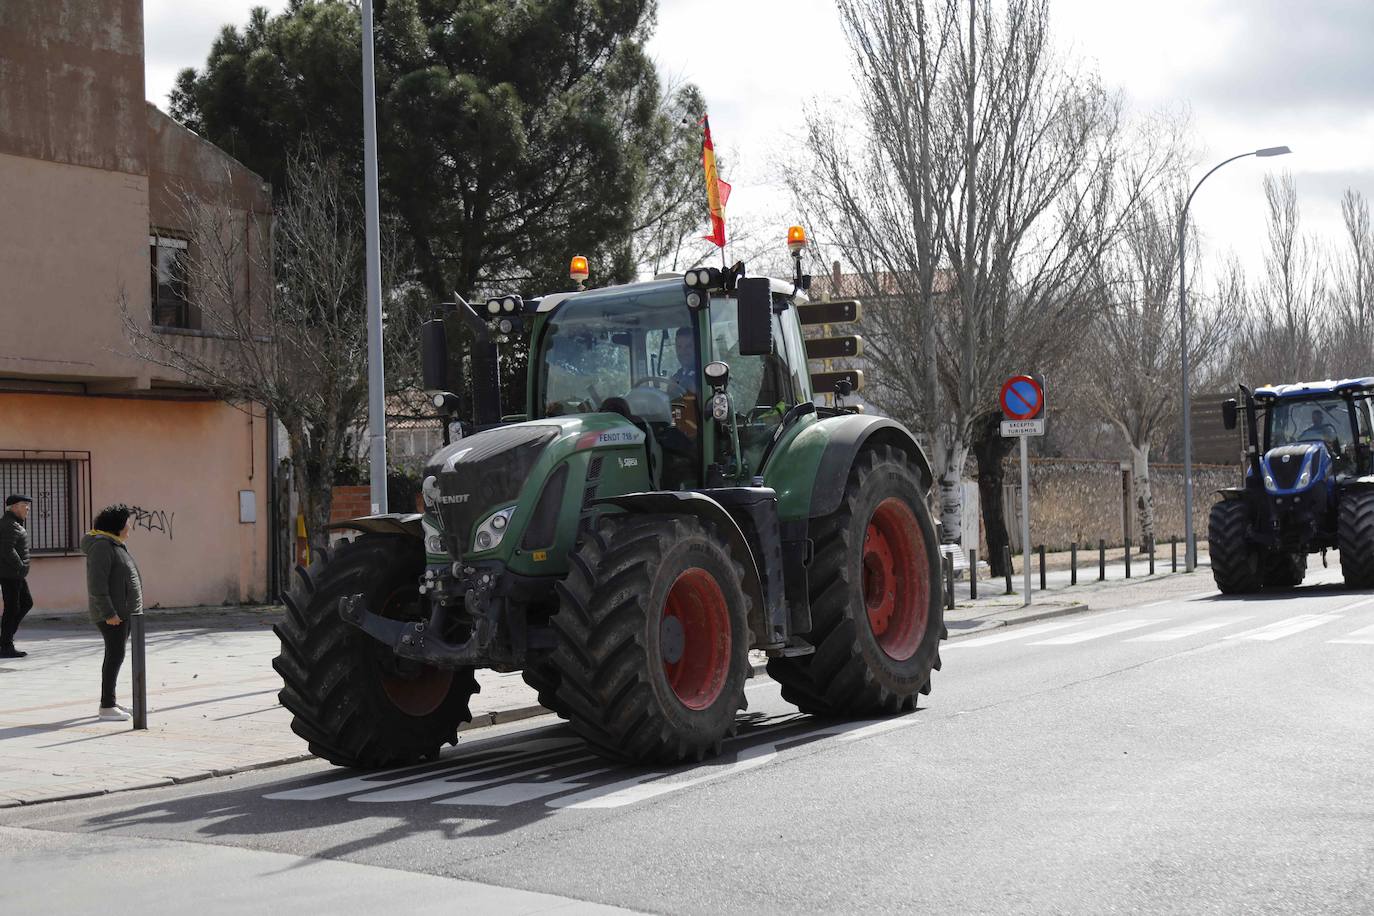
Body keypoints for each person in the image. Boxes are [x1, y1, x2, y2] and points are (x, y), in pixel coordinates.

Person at [82, 505, 143, 722]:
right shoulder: (102, 547)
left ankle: (110, 701)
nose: (130, 528)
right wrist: (109, 612)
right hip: (113, 615)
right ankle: (106, 706)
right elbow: (97, 585)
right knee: (115, 656)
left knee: (116, 655)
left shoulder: (114, 544)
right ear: (116, 527)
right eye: (127, 524)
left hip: (123, 613)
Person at [0, 494, 34, 659]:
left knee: (25, 603)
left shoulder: (13, 523)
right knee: (12, 608)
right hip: (10, 574)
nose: (27, 508)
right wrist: (21, 567)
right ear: (13, 507)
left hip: (14, 573)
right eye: (24, 505)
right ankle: (5, 645)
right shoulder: (9, 524)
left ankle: (5, 641)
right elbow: (7, 550)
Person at [671, 327, 698, 394]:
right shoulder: (677, 376)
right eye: (679, 347)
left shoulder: (703, 376)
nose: (683, 351)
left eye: (688, 346)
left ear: (696, 347)